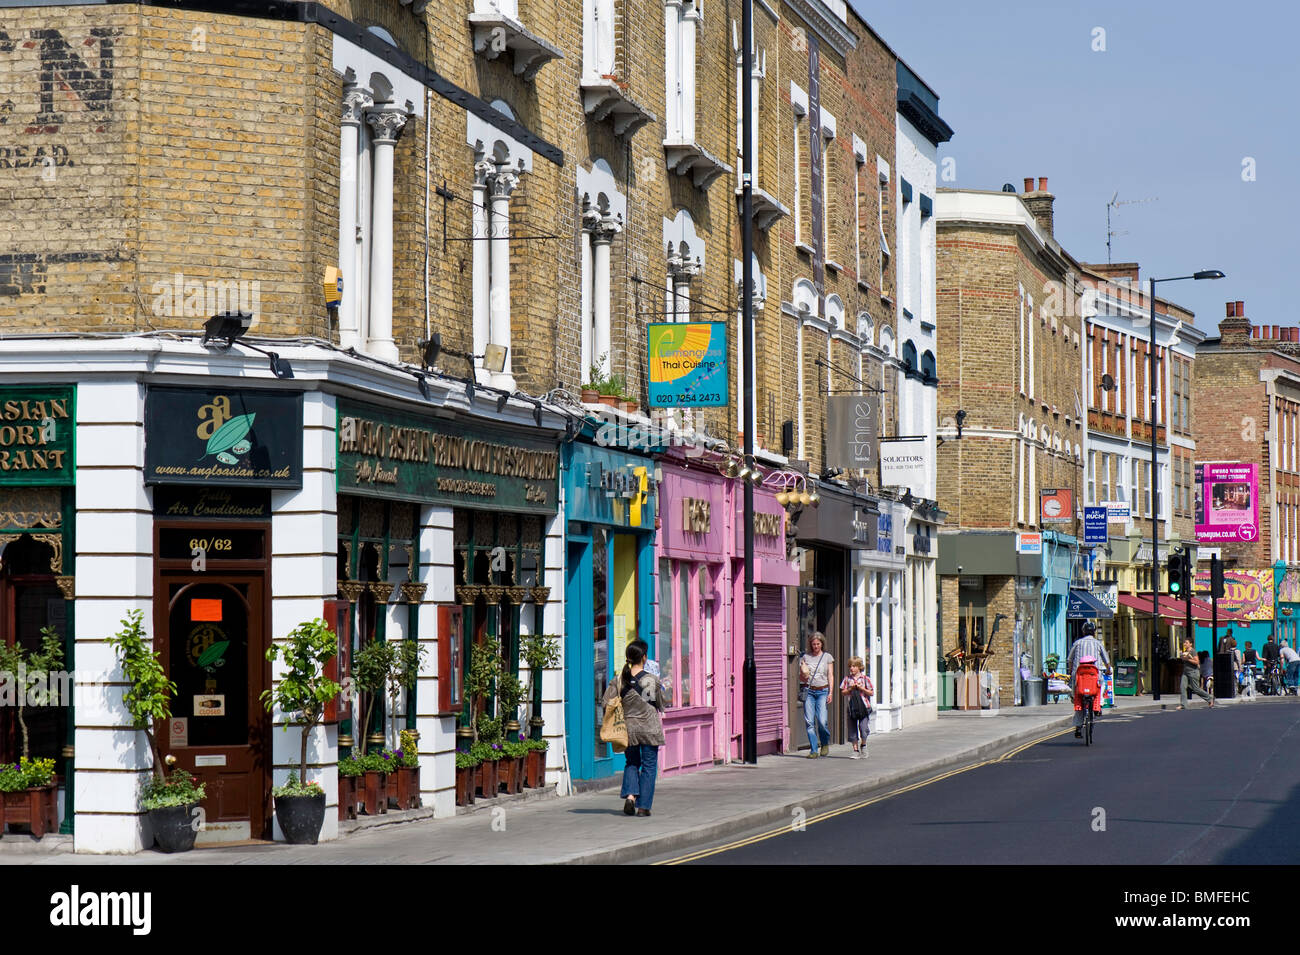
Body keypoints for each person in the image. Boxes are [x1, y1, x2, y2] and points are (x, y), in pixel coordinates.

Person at [604, 642, 665, 817]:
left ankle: (630, 796)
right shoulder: (651, 680)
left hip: (628, 729)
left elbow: (606, 702)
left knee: (631, 763)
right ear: (644, 657)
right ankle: (643, 807)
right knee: (649, 766)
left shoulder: (619, 680)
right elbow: (660, 705)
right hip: (649, 728)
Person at [1067, 622, 1110, 738]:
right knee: (1102, 686)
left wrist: (1070, 671)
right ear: (1094, 632)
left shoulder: (1077, 643)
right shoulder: (1098, 644)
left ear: (1083, 632)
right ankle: (1099, 706)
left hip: (1079, 678)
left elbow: (1070, 660)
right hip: (1094, 677)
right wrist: (1108, 669)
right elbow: (1106, 660)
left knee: (1078, 699)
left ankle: (1078, 727)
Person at [797, 632, 834, 757]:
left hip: (822, 691)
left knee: (822, 721)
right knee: (809, 722)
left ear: (822, 644)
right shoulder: (806, 657)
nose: (816, 646)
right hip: (809, 691)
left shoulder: (827, 657)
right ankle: (813, 750)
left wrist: (831, 692)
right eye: (813, 644)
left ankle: (824, 743)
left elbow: (830, 675)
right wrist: (803, 673)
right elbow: (802, 678)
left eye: (818, 644)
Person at [839, 657, 874, 759]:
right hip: (852, 707)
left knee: (863, 729)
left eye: (854, 666)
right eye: (850, 666)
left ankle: (863, 744)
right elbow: (843, 692)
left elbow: (871, 692)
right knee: (852, 729)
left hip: (864, 707)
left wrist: (861, 688)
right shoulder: (847, 679)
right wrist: (851, 688)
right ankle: (855, 750)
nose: (851, 668)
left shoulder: (865, 679)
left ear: (859, 667)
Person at [1178, 639, 1214, 709]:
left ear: (1191, 644)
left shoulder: (1193, 651)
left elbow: (1197, 662)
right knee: (1182, 687)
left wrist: (1187, 659)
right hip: (1185, 672)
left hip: (1193, 672)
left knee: (1196, 689)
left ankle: (1209, 698)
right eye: (1184, 642)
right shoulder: (1185, 651)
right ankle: (1183, 704)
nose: (1185, 644)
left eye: (1186, 643)